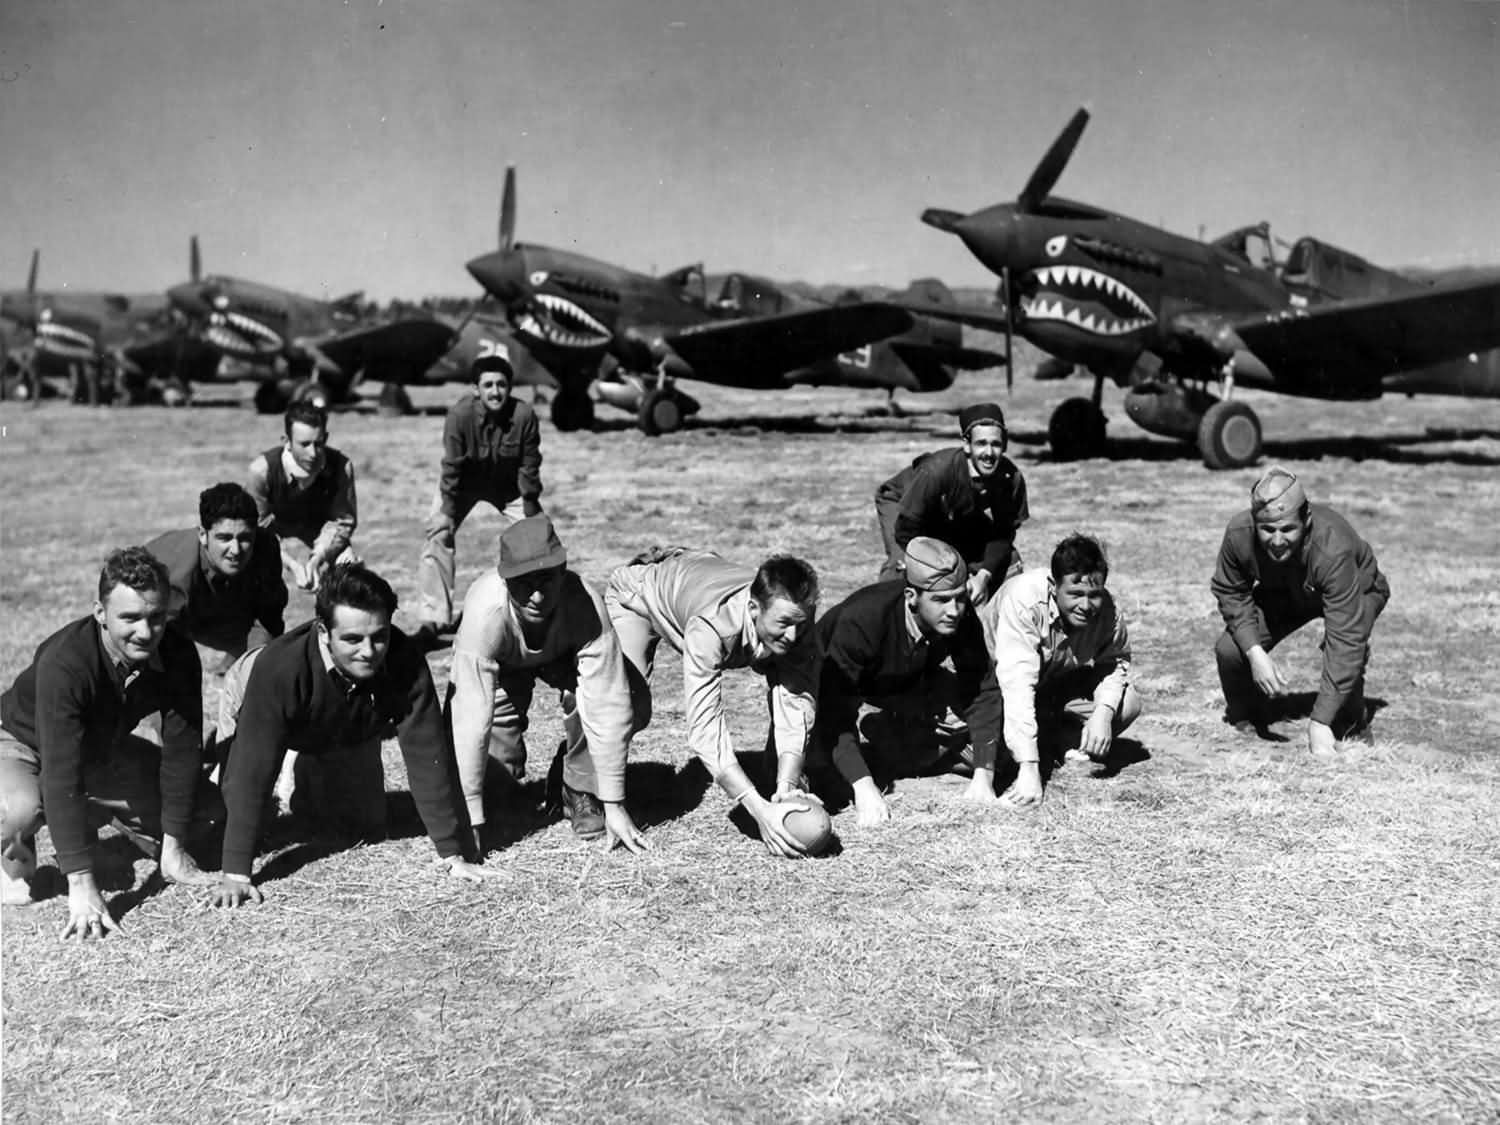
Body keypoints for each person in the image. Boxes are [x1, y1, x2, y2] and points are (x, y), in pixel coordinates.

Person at [211, 563, 493, 909]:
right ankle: (286, 762)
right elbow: (251, 771)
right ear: (323, 632)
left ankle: (303, 771)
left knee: (363, 825)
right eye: (353, 639)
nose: (368, 651)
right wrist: (236, 872)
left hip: (343, 715)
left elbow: (427, 754)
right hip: (257, 697)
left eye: (379, 636)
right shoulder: (279, 670)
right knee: (242, 811)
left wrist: (451, 853)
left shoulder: (404, 659)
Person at [0, 548, 218, 934]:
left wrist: (174, 849)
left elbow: (183, 750)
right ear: (100, 612)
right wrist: (81, 881)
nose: (145, 632)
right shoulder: (66, 662)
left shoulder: (177, 652)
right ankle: (13, 850)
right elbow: (61, 771)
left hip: (96, 750)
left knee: (208, 811)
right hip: (20, 741)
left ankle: (90, 814)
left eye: (156, 617)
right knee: (21, 809)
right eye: (129, 618)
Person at [447, 515, 649, 853]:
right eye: (524, 584)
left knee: (633, 700)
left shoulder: (585, 604)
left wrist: (614, 804)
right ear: (505, 580)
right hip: (502, 667)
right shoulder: (485, 614)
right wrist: (472, 815)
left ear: (563, 571)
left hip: (565, 660)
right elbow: (469, 717)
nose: (537, 596)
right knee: (497, 799)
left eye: (546, 581)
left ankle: (580, 786)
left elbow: (608, 701)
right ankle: (501, 787)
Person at [605, 547, 821, 857]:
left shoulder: (796, 623)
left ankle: (777, 778)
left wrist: (787, 785)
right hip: (639, 596)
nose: (793, 635)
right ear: (754, 608)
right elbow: (705, 728)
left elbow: (796, 702)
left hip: (692, 578)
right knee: (625, 707)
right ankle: (581, 786)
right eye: (784, 623)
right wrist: (757, 809)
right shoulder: (713, 626)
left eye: (802, 623)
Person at [812, 538, 1002, 827]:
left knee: (1000, 754)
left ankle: (892, 736)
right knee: (821, 769)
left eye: (960, 597)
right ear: (911, 596)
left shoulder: (958, 615)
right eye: (941, 600)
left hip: (907, 677)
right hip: (829, 683)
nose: (954, 610)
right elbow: (836, 713)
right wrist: (864, 787)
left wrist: (984, 776)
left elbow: (982, 688)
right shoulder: (861, 622)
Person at [1211, 466, 1389, 753]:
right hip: (1286, 591)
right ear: (1255, 523)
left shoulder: (1333, 546)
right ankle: (1246, 713)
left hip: (1357, 588)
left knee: (1343, 649)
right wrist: (1255, 652)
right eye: (1267, 529)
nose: (1277, 540)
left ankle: (1351, 721)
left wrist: (1319, 721)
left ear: (1306, 521)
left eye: (1287, 529)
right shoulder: (1238, 534)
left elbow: (1346, 639)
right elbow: (1231, 591)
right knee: (1231, 649)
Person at [976, 534, 1140, 809]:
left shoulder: (1108, 610)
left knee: (1128, 703)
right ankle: (1033, 748)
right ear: (1054, 587)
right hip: (995, 688)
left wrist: (1103, 713)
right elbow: (1017, 684)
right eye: (1075, 594)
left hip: (1050, 683)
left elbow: (1115, 663)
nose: (1086, 606)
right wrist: (1028, 768)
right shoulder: (1024, 600)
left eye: (1094, 595)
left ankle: (1060, 741)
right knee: (999, 756)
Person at [416, 349, 543, 638]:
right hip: (463, 485)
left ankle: (530, 613)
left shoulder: (524, 415)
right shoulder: (459, 416)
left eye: (501, 385)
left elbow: (530, 465)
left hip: (508, 487)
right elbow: (451, 466)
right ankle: (433, 620)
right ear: (476, 389)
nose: (495, 392)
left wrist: (531, 509)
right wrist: (446, 512)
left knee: (538, 539)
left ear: (510, 387)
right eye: (488, 385)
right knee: (437, 535)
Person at [146, 482, 287, 729]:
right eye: (224, 538)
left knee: (270, 670)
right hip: (166, 622)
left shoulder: (266, 547)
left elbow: (269, 618)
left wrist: (255, 674)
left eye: (245, 538)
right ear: (203, 534)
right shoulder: (169, 571)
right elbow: (143, 638)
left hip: (223, 613)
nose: (235, 550)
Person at [874, 402, 1029, 606]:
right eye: (981, 443)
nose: (989, 453)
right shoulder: (936, 472)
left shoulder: (1009, 478)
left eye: (996, 444)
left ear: (1005, 445)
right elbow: (906, 531)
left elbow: (1003, 534)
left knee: (1009, 561)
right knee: (905, 566)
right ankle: (887, 614)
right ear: (966, 445)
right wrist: (938, 565)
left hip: (952, 512)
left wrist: (983, 576)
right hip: (903, 506)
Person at [246, 400, 358, 593]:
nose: (313, 453)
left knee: (348, 566)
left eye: (319, 444)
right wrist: (291, 564)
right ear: (286, 441)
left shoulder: (341, 467)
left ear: (326, 438)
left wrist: (318, 558)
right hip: (275, 530)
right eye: (304, 444)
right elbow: (256, 528)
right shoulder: (261, 471)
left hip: (318, 530)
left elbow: (342, 522)